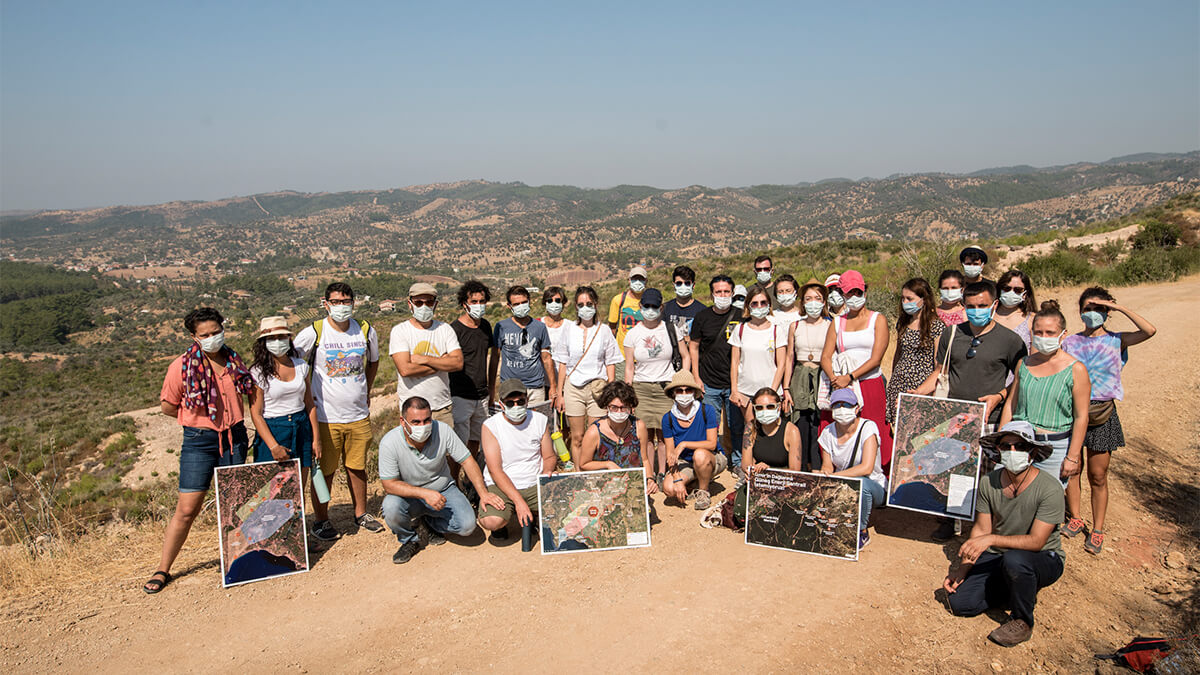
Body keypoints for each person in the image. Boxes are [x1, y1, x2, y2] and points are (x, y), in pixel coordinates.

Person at [145, 307, 255, 594]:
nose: (212, 338)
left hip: (235, 436)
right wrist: (197, 421)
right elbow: (168, 406)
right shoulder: (181, 367)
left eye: (216, 332)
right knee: (186, 509)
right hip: (199, 441)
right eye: (204, 335)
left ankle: (238, 561)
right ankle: (163, 568)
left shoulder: (234, 361)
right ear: (194, 337)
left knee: (234, 505)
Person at [913, 280, 1027, 542]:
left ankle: (990, 526)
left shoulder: (1011, 341)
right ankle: (952, 521)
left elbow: (1020, 381)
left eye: (983, 306)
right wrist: (916, 395)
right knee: (954, 471)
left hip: (989, 419)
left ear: (994, 305)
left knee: (989, 475)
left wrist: (999, 397)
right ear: (964, 305)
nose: (977, 310)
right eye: (971, 305)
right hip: (955, 416)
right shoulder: (951, 334)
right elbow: (940, 373)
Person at [944, 421, 1065, 648]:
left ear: (1033, 452)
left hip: (1043, 557)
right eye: (1006, 446)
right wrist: (962, 570)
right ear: (997, 450)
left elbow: (1038, 541)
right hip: (1001, 555)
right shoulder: (989, 483)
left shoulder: (1050, 488)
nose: (1012, 452)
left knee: (1016, 560)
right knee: (960, 603)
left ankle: (1022, 620)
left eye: (1019, 446)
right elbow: (981, 529)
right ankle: (1018, 588)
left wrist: (991, 539)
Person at [1060, 287, 1156, 554]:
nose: (1093, 313)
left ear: (1108, 312)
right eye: (1088, 308)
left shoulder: (1117, 340)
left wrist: (1119, 307)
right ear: (1080, 312)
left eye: (1099, 308)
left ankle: (1098, 529)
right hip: (1071, 412)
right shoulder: (1070, 342)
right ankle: (1076, 517)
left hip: (1103, 414)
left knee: (1098, 475)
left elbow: (1149, 331)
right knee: (1073, 469)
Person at [294, 282, 383, 540]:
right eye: (336, 301)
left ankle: (361, 513)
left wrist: (367, 391)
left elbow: (374, 361)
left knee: (357, 467)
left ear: (353, 303)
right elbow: (295, 364)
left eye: (346, 301)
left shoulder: (365, 330)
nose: (341, 306)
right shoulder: (315, 332)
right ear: (325, 303)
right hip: (325, 417)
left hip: (358, 414)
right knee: (325, 470)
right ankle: (321, 520)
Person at [379, 396, 505, 564]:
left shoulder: (443, 430)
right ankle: (409, 539)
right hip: (409, 495)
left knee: (467, 525)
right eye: (416, 422)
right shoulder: (389, 442)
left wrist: (483, 494)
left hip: (444, 490)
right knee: (391, 506)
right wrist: (424, 494)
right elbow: (389, 485)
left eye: (427, 420)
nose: (423, 427)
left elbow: (467, 460)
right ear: (403, 421)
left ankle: (430, 523)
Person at [999, 301, 1089, 488]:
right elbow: (1010, 404)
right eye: (1038, 332)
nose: (1043, 337)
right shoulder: (1023, 364)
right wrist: (1001, 440)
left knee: (1044, 506)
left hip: (1053, 450)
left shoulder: (1076, 369)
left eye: (1050, 333)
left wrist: (1072, 457)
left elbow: (1081, 417)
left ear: (1063, 335)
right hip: (1018, 444)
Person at [819, 270, 893, 468]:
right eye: (848, 293)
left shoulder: (878, 320)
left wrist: (850, 376)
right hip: (844, 387)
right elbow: (825, 356)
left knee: (874, 429)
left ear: (864, 292)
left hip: (870, 385)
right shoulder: (837, 322)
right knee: (843, 430)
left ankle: (878, 476)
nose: (853, 298)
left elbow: (876, 359)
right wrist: (836, 378)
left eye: (857, 292)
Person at [477, 379, 557, 543]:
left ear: (527, 400)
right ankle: (503, 523)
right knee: (491, 521)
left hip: (534, 481)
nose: (516, 406)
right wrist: (519, 501)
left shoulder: (540, 420)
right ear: (501, 404)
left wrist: (546, 473)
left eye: (520, 401)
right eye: (510, 403)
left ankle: (533, 515)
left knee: (565, 507)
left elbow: (549, 457)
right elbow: (495, 470)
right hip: (502, 483)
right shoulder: (490, 426)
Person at [624, 287, 690, 477]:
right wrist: (629, 396)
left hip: (666, 387)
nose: (650, 310)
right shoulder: (633, 334)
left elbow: (685, 356)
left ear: (661, 307)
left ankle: (663, 472)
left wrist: (682, 381)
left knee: (664, 436)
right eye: (647, 306)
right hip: (641, 388)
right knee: (645, 436)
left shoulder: (670, 329)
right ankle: (649, 473)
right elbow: (629, 367)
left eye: (654, 306)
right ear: (640, 306)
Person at [553, 286, 621, 463]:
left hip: (597, 389)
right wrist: (559, 394)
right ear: (576, 307)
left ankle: (594, 473)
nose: (585, 308)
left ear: (596, 305)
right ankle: (578, 473)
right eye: (581, 304)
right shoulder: (568, 329)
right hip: (573, 388)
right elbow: (562, 363)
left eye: (589, 303)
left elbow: (610, 363)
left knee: (595, 434)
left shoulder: (604, 330)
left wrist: (611, 393)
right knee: (577, 436)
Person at [247, 316, 320, 481]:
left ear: (289, 338)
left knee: (299, 484)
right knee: (272, 488)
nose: (277, 341)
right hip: (274, 429)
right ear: (264, 342)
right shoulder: (257, 372)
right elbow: (256, 413)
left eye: (281, 337)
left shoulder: (301, 366)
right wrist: (273, 446)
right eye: (271, 338)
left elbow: (310, 405)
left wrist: (316, 439)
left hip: (301, 427)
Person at [688, 275, 745, 473]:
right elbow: (693, 347)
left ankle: (737, 462)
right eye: (718, 292)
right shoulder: (702, 317)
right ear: (712, 294)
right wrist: (696, 376)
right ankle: (713, 461)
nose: (722, 295)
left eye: (726, 292)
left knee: (736, 424)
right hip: (708, 382)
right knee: (710, 426)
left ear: (732, 293)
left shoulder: (741, 315)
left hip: (734, 383)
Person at [818, 388, 887, 550]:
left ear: (857, 408)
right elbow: (827, 466)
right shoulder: (827, 432)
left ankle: (861, 531)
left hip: (872, 486)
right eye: (837, 405)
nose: (842, 409)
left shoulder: (868, 428)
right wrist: (825, 474)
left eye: (846, 405)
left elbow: (866, 468)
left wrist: (836, 476)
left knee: (861, 484)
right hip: (843, 485)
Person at [729, 284, 786, 477]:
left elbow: (782, 364)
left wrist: (772, 393)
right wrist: (735, 390)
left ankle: (773, 473)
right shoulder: (741, 330)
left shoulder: (777, 330)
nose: (759, 306)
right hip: (747, 392)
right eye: (755, 303)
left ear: (769, 304)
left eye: (763, 302)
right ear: (748, 306)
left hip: (771, 392)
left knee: (772, 431)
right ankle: (751, 473)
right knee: (752, 433)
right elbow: (735, 362)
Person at [389, 282, 463, 427]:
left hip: (442, 409)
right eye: (418, 302)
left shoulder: (445, 329)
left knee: (444, 449)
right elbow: (405, 370)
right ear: (410, 304)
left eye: (429, 302)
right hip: (412, 412)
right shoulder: (400, 331)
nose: (424, 307)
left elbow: (458, 363)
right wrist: (441, 363)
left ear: (435, 304)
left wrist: (424, 359)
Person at [577, 381, 658, 496]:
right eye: (614, 407)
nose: (619, 412)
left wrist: (650, 479)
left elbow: (644, 459)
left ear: (630, 407)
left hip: (632, 487)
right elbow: (584, 464)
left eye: (623, 407)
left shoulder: (639, 426)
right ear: (606, 407)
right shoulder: (594, 432)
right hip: (603, 488)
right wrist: (607, 464)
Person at [783, 278, 830, 470]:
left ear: (824, 302)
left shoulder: (830, 325)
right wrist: (786, 388)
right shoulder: (795, 326)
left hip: (822, 376)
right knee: (801, 422)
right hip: (800, 377)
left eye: (817, 298)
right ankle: (800, 468)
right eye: (808, 298)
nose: (812, 302)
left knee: (819, 423)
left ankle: (819, 466)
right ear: (802, 302)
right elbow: (789, 358)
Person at [885, 278, 944, 426]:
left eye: (910, 299)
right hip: (898, 385)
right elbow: (898, 354)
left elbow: (938, 365)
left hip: (921, 387)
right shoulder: (903, 322)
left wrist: (926, 390)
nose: (905, 302)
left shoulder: (936, 326)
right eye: (903, 298)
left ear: (924, 299)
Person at [490, 285, 556, 416]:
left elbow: (546, 358)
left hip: (535, 386)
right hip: (510, 386)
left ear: (529, 301)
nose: (521, 306)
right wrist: (491, 388)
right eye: (516, 304)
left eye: (524, 302)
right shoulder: (501, 327)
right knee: (511, 425)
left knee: (536, 424)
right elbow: (494, 358)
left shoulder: (539, 327)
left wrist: (553, 386)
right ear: (509, 306)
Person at [659, 371, 723, 509]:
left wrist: (683, 444)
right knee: (669, 488)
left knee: (699, 454)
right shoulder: (668, 418)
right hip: (685, 462)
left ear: (694, 392)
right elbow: (671, 455)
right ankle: (697, 479)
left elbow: (712, 444)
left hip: (710, 457)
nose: (684, 394)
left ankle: (703, 491)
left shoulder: (707, 410)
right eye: (679, 390)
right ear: (673, 394)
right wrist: (677, 479)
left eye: (688, 390)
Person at [448, 280, 494, 456]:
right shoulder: (455, 330)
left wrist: (490, 389)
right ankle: (455, 480)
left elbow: (489, 358)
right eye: (474, 302)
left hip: (482, 395)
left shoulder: (485, 326)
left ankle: (469, 480)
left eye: (482, 301)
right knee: (459, 444)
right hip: (461, 395)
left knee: (476, 440)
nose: (479, 306)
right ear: (464, 304)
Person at [608, 265, 646, 377]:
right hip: (623, 356)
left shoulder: (649, 301)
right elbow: (613, 327)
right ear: (629, 281)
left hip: (644, 357)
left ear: (646, 281)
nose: (638, 282)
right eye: (635, 279)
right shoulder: (618, 300)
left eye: (641, 279)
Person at [662, 264, 707, 345]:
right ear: (674, 285)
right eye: (679, 283)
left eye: (687, 283)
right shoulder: (665, 309)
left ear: (693, 285)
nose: (683, 286)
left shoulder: (703, 311)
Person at [994, 269, 1037, 350]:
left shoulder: (1033, 320)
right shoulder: (987, 315)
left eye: (1017, 290)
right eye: (1007, 288)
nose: (1011, 292)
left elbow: (1035, 355)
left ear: (1025, 294)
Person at [539, 286, 571, 359]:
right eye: (550, 300)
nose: (554, 304)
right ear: (545, 303)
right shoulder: (538, 324)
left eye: (557, 300)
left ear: (563, 303)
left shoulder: (570, 326)